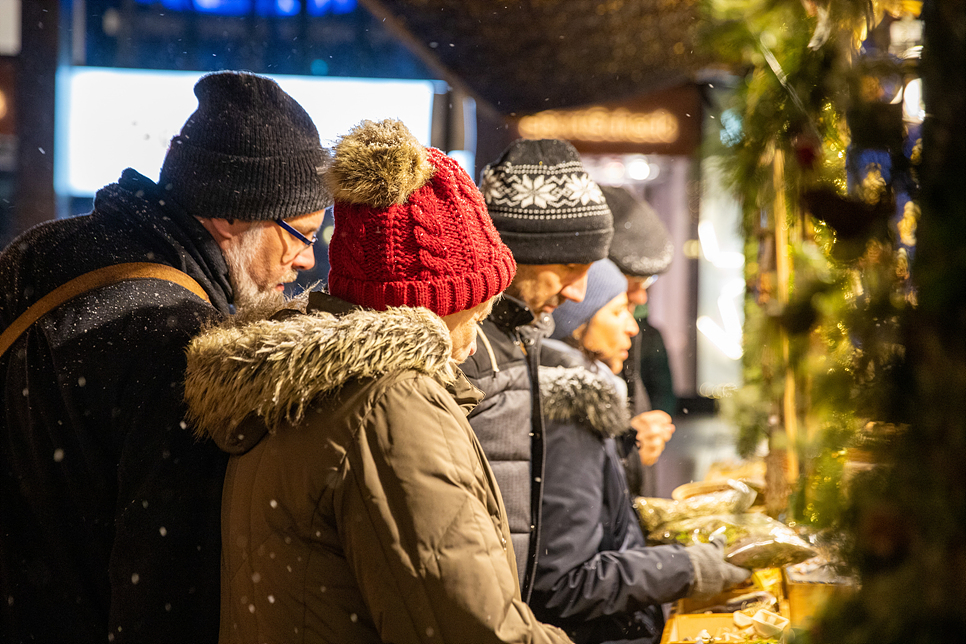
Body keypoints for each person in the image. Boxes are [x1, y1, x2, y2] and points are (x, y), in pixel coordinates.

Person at [182, 119, 573, 644]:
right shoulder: (392, 407)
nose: (475, 345)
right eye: (474, 319)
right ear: (431, 310)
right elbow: (478, 630)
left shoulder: (305, 387)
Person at [0, 71, 330, 643]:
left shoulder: (35, 251)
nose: (307, 260)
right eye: (300, 233)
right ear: (231, 213)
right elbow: (165, 586)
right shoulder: (184, 340)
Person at [534, 259, 751, 644]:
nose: (633, 326)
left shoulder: (587, 406)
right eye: (618, 310)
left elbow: (598, 530)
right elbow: (570, 583)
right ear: (577, 325)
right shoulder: (568, 417)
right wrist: (692, 566)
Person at [459, 139, 615, 601]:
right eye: (569, 267)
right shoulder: (465, 348)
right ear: (515, 254)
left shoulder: (519, 338)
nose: (577, 292)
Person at [601, 185, 677, 497]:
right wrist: (629, 449)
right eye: (632, 280)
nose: (641, 295)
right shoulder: (560, 355)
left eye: (647, 281)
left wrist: (649, 428)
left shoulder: (638, 334)